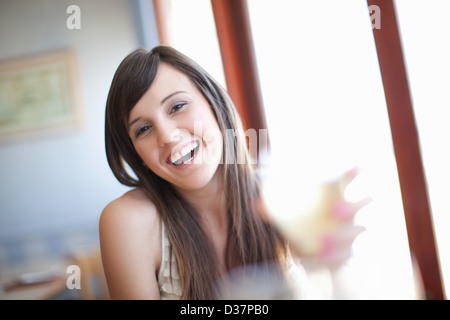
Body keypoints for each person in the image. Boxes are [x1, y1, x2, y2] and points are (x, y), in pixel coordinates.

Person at [100, 46, 367, 300]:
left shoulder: (280, 199)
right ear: (138, 156)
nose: (168, 136)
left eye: (177, 107)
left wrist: (333, 267)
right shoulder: (130, 221)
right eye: (143, 129)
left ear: (214, 103)